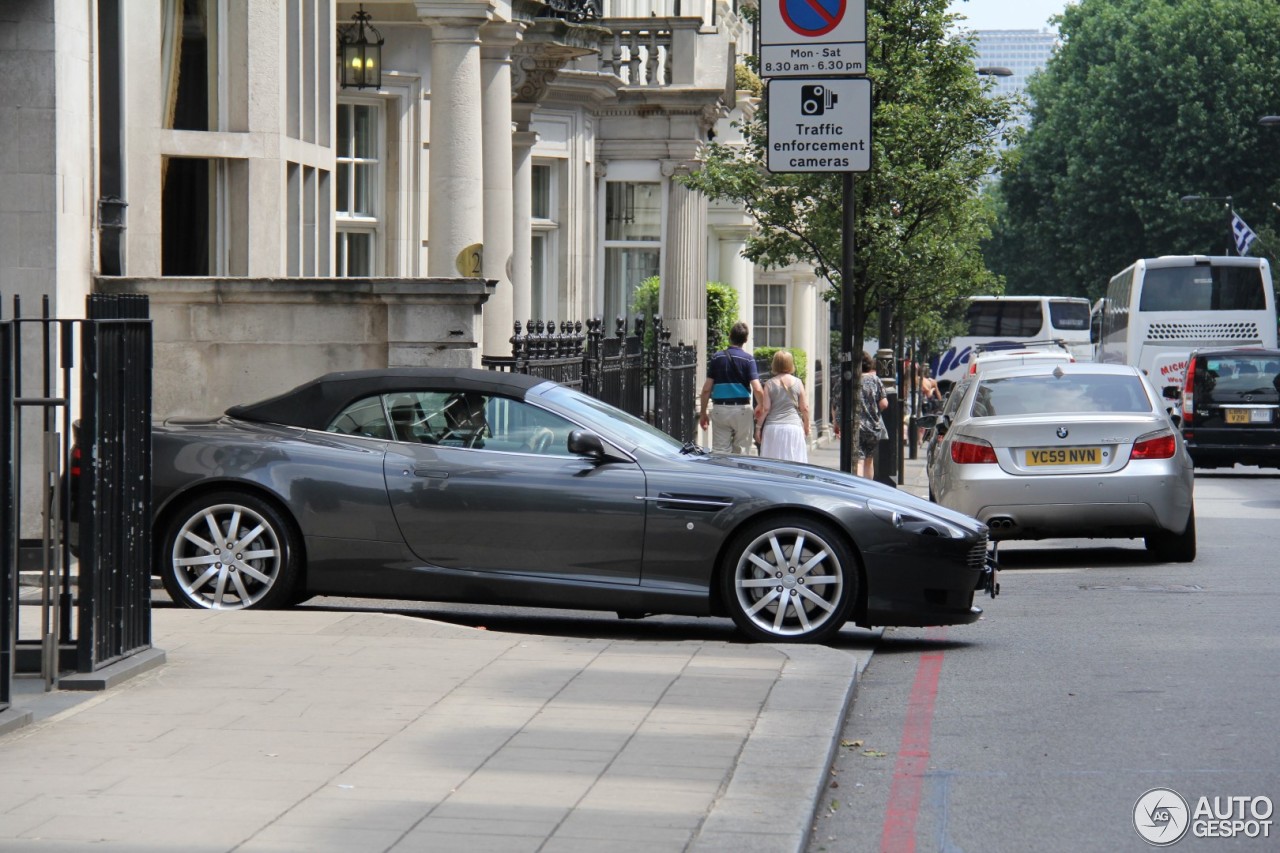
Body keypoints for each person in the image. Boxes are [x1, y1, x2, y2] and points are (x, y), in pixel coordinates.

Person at [698, 321, 765, 454]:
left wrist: (703, 412)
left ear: (730, 336)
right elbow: (757, 388)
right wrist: (761, 406)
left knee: (720, 452)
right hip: (742, 409)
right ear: (745, 340)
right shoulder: (748, 359)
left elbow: (706, 389)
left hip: (720, 409)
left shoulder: (717, 358)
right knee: (742, 452)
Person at [754, 350, 810, 463]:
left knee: (772, 465)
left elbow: (765, 409)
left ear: (775, 363)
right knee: (794, 462)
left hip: (773, 428)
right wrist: (806, 425)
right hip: (793, 427)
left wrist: (758, 428)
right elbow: (804, 408)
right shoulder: (798, 383)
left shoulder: (769, 384)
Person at [857, 351, 888, 479]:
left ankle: (857, 489)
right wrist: (873, 411)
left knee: (858, 460)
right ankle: (867, 490)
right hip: (872, 427)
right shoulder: (875, 380)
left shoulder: (852, 380)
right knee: (869, 460)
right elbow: (884, 403)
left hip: (856, 426)